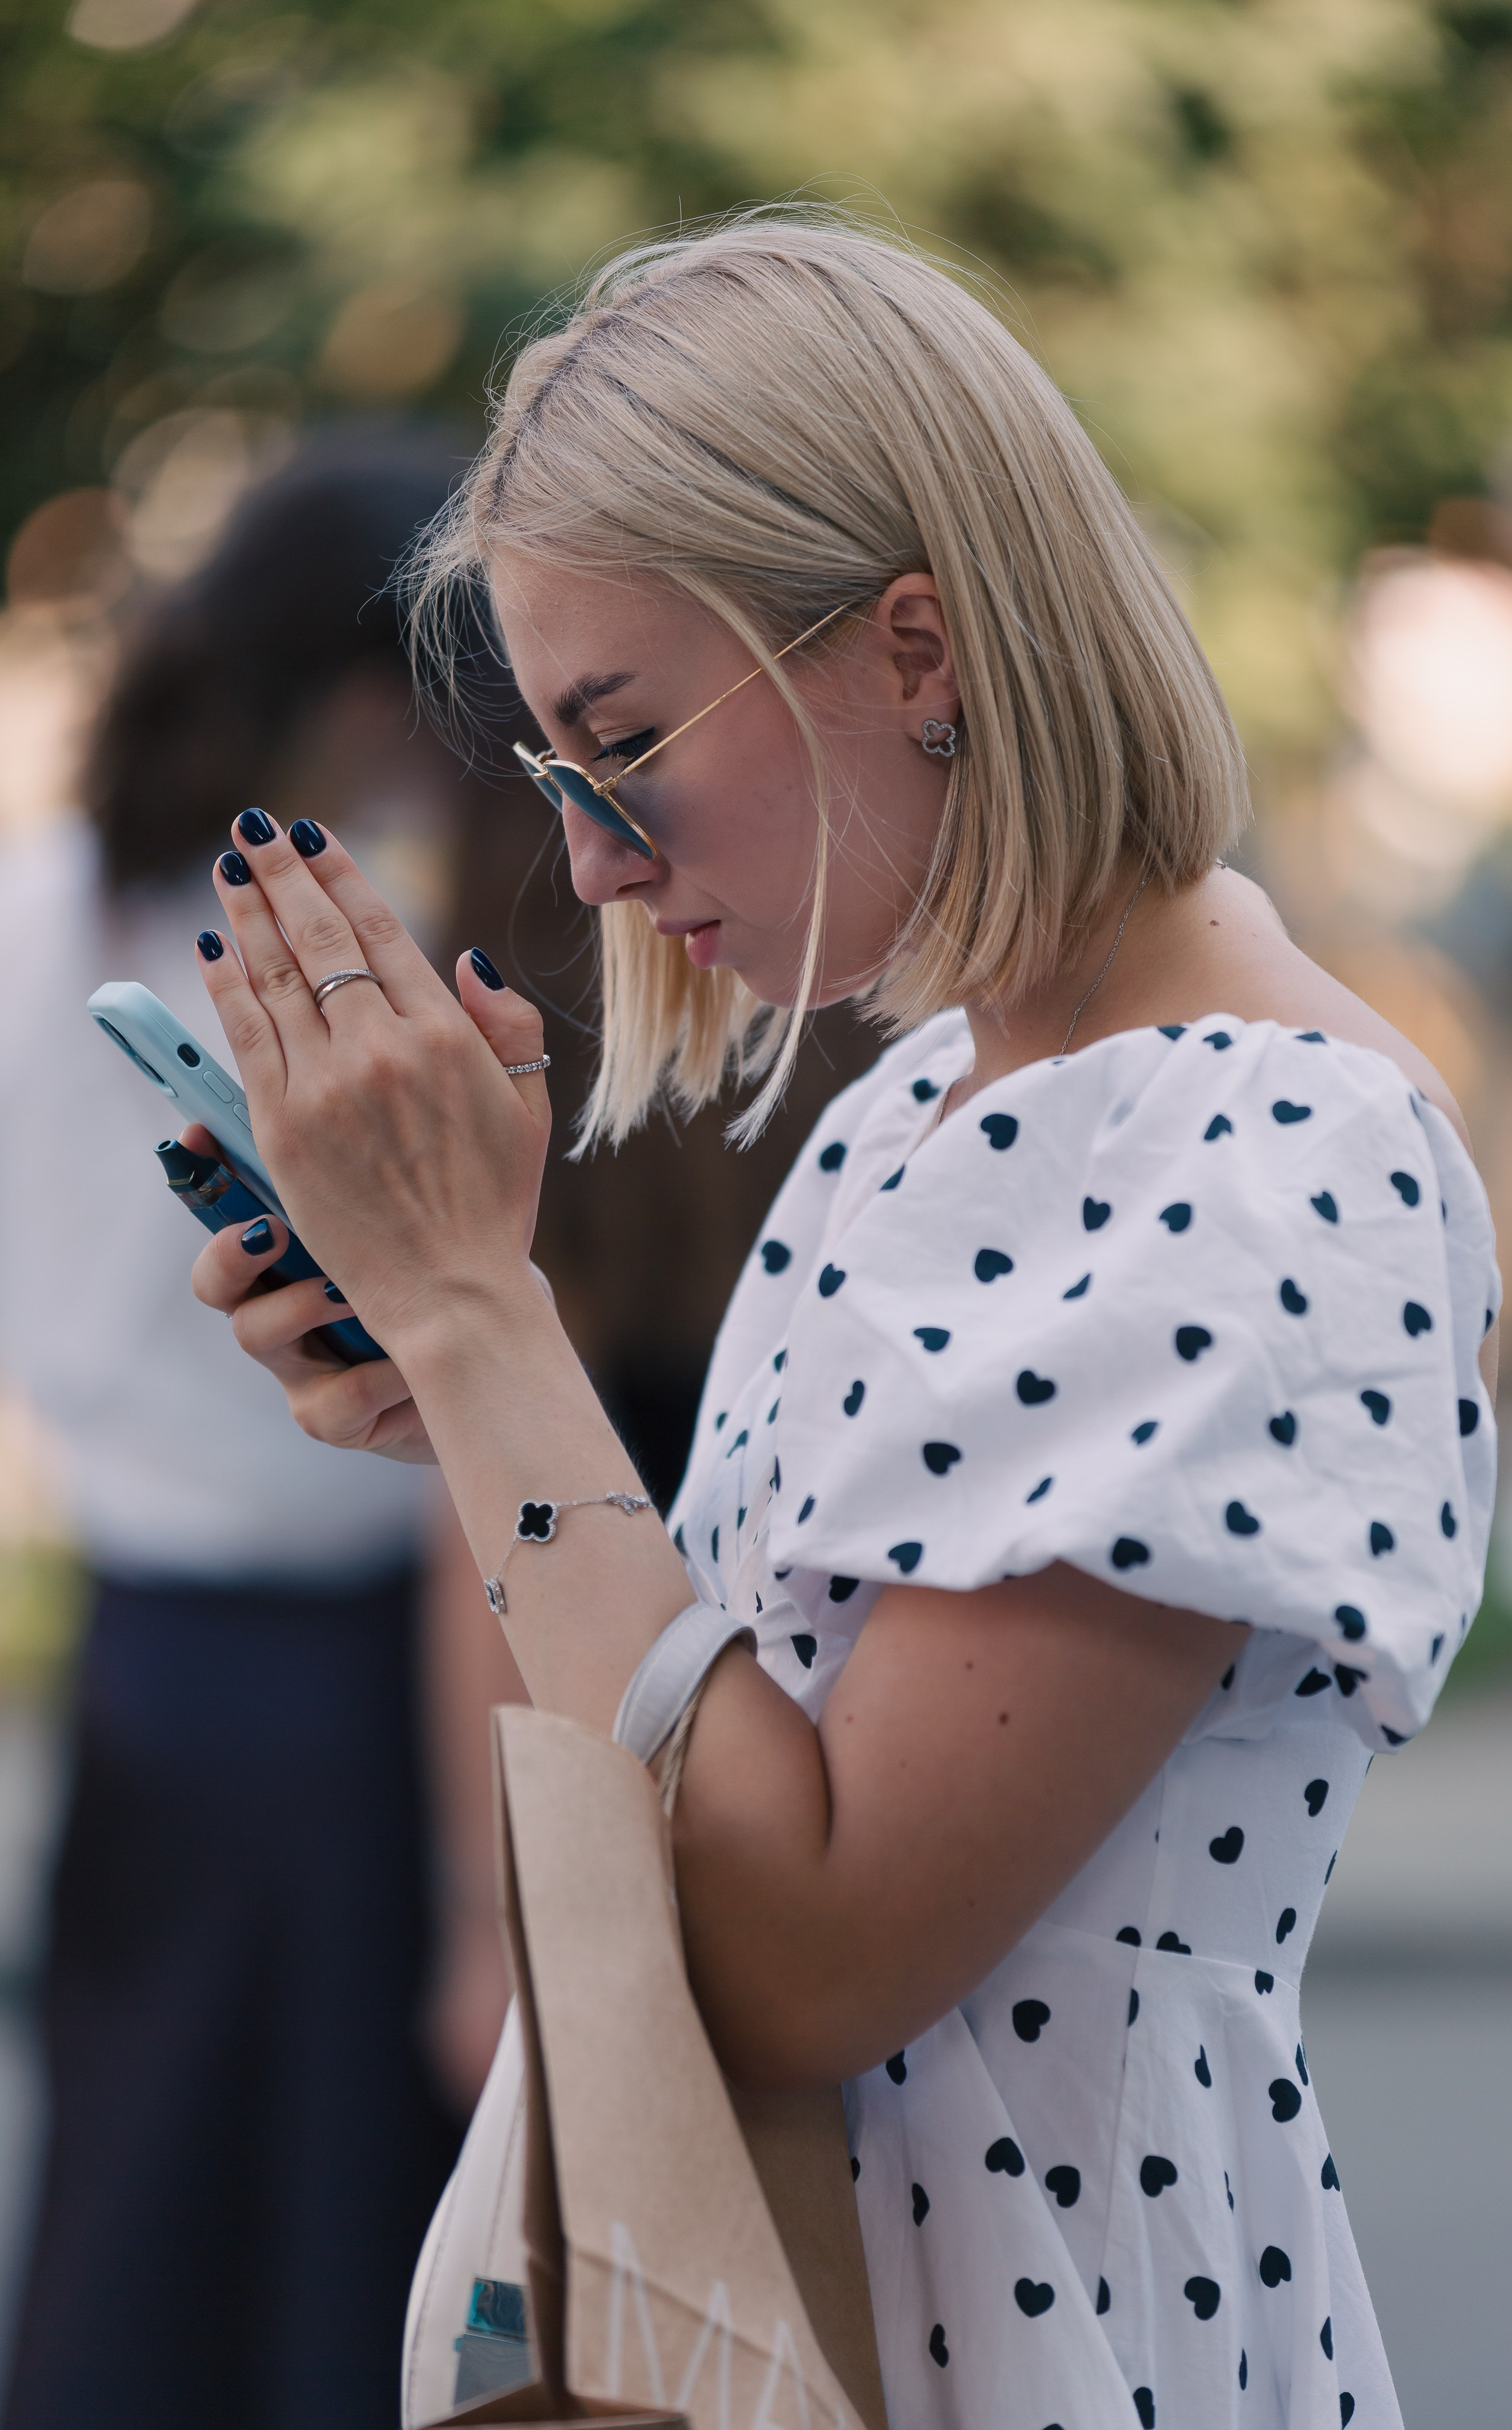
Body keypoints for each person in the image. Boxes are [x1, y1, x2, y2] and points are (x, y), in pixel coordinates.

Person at [183, 215, 1497, 2430]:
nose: (590, 862)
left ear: (914, 646)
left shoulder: (1268, 1142)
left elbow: (802, 1956)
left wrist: (486, 1322)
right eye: (551, 777)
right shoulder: (935, 1096)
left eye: (620, 746)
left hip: (1053, 2329)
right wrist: (457, 1391)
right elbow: (729, 1727)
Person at [0, 438, 525, 2430]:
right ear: (363, 685)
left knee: (133, 2215)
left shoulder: (38, 909)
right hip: (350, 1680)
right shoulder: (347, 950)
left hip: (138, 1661)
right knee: (350, 2259)